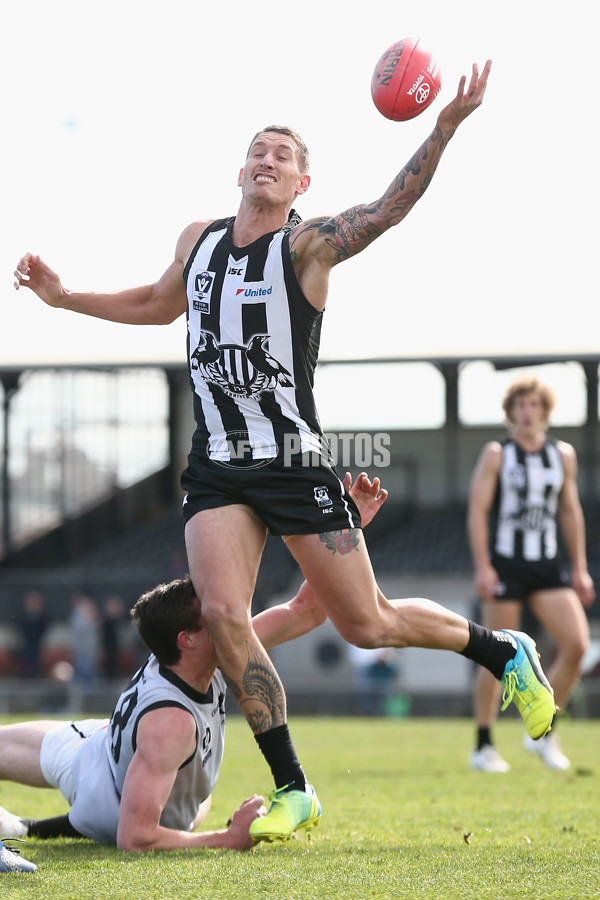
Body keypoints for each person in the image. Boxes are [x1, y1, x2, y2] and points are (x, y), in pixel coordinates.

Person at [14, 59, 556, 841]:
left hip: (293, 463)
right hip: (216, 467)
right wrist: (67, 299)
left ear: (302, 184)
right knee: (225, 616)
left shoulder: (309, 248)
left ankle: (500, 649)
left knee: (367, 625)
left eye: (283, 156)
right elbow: (156, 303)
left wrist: (441, 129)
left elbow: (387, 210)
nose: (267, 159)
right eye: (257, 150)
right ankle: (295, 787)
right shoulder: (198, 240)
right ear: (240, 169)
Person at [0, 475, 382, 857]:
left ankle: (26, 827)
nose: (224, 608)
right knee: (185, 812)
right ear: (188, 638)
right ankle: (36, 827)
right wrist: (228, 838)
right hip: (109, 800)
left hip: (100, 749)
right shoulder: (171, 722)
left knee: (193, 803)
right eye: (211, 609)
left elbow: (308, 610)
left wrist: (346, 528)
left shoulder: (201, 651)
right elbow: (133, 839)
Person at [467, 378, 595, 773]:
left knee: (576, 645)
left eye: (534, 404)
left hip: (547, 566)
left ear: (545, 410)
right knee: (496, 657)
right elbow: (477, 510)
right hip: (506, 563)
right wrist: (484, 566)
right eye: (520, 404)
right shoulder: (497, 454)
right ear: (511, 411)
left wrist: (580, 567)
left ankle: (543, 731)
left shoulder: (563, 455)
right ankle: (484, 745)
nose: (527, 411)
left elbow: (570, 511)